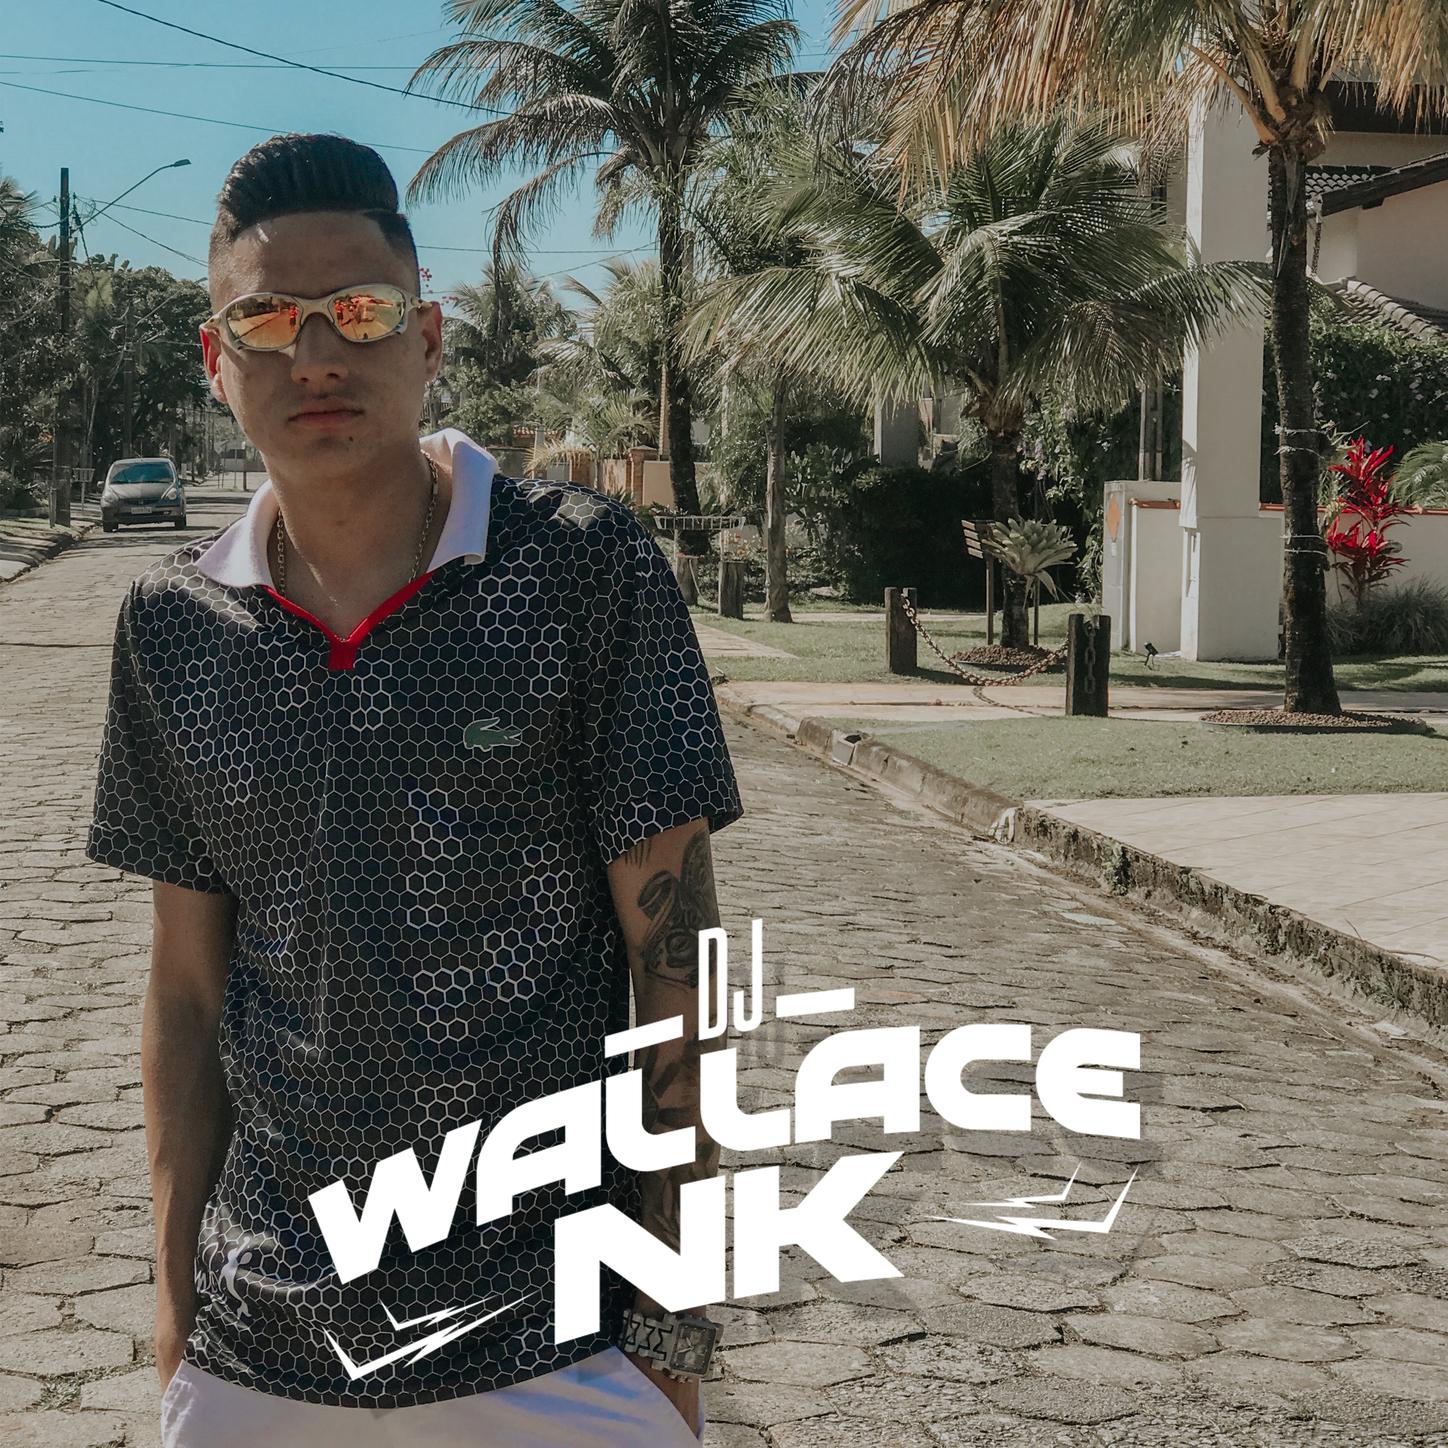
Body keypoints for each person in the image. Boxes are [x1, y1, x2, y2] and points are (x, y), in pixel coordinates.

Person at [83, 132, 743, 1447]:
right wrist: (172, 1304)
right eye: (267, 320)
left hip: (558, 1344)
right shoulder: (172, 627)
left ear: (427, 336)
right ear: (216, 359)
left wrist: (676, 1311)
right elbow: (188, 992)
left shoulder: (583, 572)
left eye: (361, 311)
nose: (316, 355)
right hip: (261, 1348)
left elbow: (680, 962)